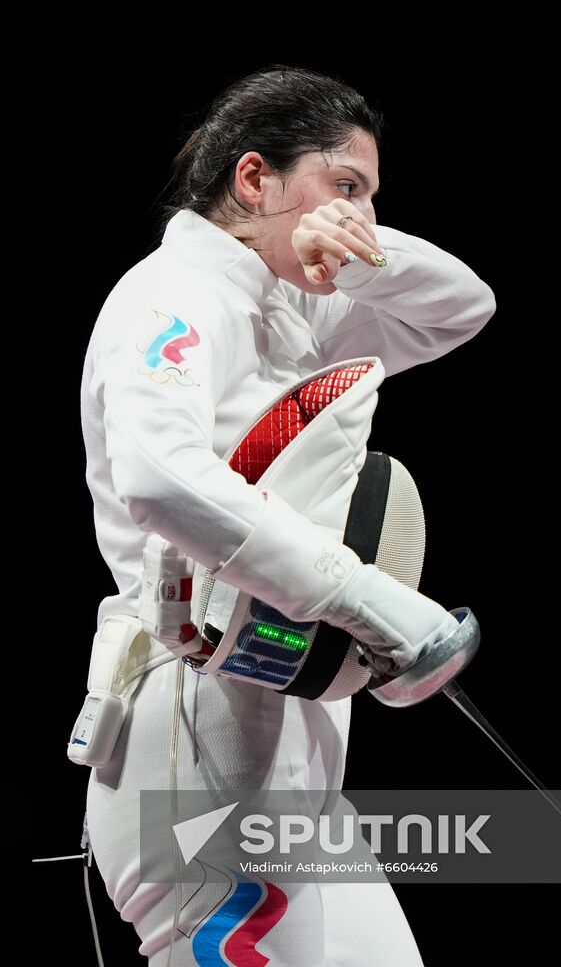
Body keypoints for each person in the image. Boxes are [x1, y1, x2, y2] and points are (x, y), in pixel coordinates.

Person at [79, 64, 496, 966]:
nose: (364, 212)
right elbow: (159, 477)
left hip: (287, 752)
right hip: (196, 735)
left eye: (373, 198)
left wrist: (359, 248)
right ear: (255, 177)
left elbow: (463, 307)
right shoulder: (172, 295)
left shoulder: (292, 308)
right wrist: (373, 602)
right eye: (345, 186)